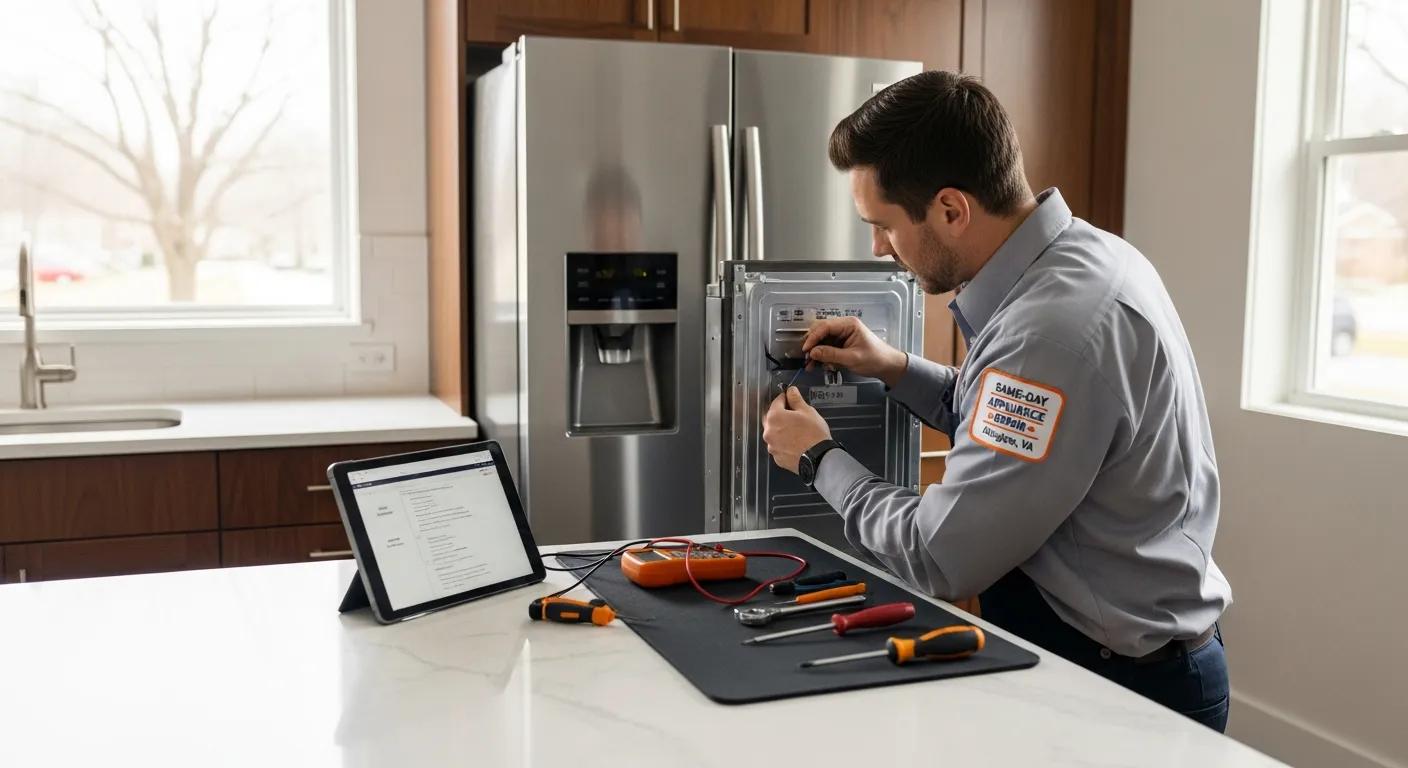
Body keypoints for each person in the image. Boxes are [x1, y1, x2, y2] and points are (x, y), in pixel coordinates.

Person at [760, 71, 1233, 731]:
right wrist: (894, 367)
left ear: (952, 210)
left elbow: (939, 556)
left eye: (884, 226)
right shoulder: (1082, 261)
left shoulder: (1052, 335)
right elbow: (1026, 438)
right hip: (1129, 661)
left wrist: (817, 457)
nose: (877, 249)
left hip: (1121, 691)